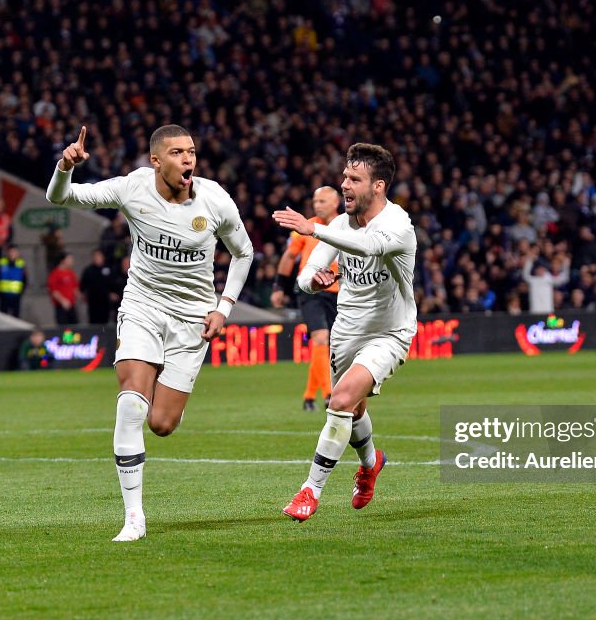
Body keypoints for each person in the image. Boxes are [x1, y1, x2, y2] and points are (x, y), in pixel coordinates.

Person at [46, 125, 253, 541]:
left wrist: (223, 307)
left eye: (192, 152)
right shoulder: (132, 188)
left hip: (192, 319)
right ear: (156, 161)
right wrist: (65, 167)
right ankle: (134, 517)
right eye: (178, 152)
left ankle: (159, 381)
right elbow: (60, 197)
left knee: (161, 423)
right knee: (131, 404)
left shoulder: (214, 200)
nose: (189, 160)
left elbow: (243, 252)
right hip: (142, 307)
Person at [272, 143, 416, 522]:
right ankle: (371, 464)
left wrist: (314, 229)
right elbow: (304, 277)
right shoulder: (338, 226)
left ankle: (310, 490)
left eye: (355, 179)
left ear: (379, 186)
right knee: (353, 410)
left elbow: (369, 247)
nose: (345, 185)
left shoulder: (398, 225)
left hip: (389, 332)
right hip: (347, 331)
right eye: (344, 177)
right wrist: (314, 282)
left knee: (339, 401)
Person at [271, 186, 342, 411]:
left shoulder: (347, 226)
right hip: (309, 289)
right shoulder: (305, 227)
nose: (317, 205)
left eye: (322, 201)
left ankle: (309, 396)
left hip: (338, 292)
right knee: (321, 338)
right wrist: (279, 287)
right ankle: (330, 393)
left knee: (329, 345)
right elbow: (290, 255)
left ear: (335, 203)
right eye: (315, 201)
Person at [79, 248, 115, 325]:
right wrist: (82, 294)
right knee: (93, 322)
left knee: (105, 321)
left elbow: (113, 283)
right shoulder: (88, 270)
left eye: (99, 256)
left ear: (103, 257)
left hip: (105, 302)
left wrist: (112, 293)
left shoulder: (108, 269)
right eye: (95, 256)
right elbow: (82, 285)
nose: (97, 258)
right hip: (93, 302)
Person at [47, 251, 79, 325]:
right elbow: (53, 290)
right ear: (62, 261)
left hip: (72, 305)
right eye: (69, 259)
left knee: (75, 326)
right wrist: (63, 301)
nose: (71, 261)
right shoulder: (55, 273)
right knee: (64, 328)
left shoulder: (71, 273)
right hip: (61, 306)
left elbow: (75, 287)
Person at [0, 245, 27, 317]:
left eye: (14, 252)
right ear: (8, 252)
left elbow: (24, 279)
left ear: (18, 253)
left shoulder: (21, 264)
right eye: (11, 251)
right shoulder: (2, 263)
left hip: (16, 295)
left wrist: (21, 291)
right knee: (3, 316)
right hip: (4, 295)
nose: (12, 254)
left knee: (15, 316)